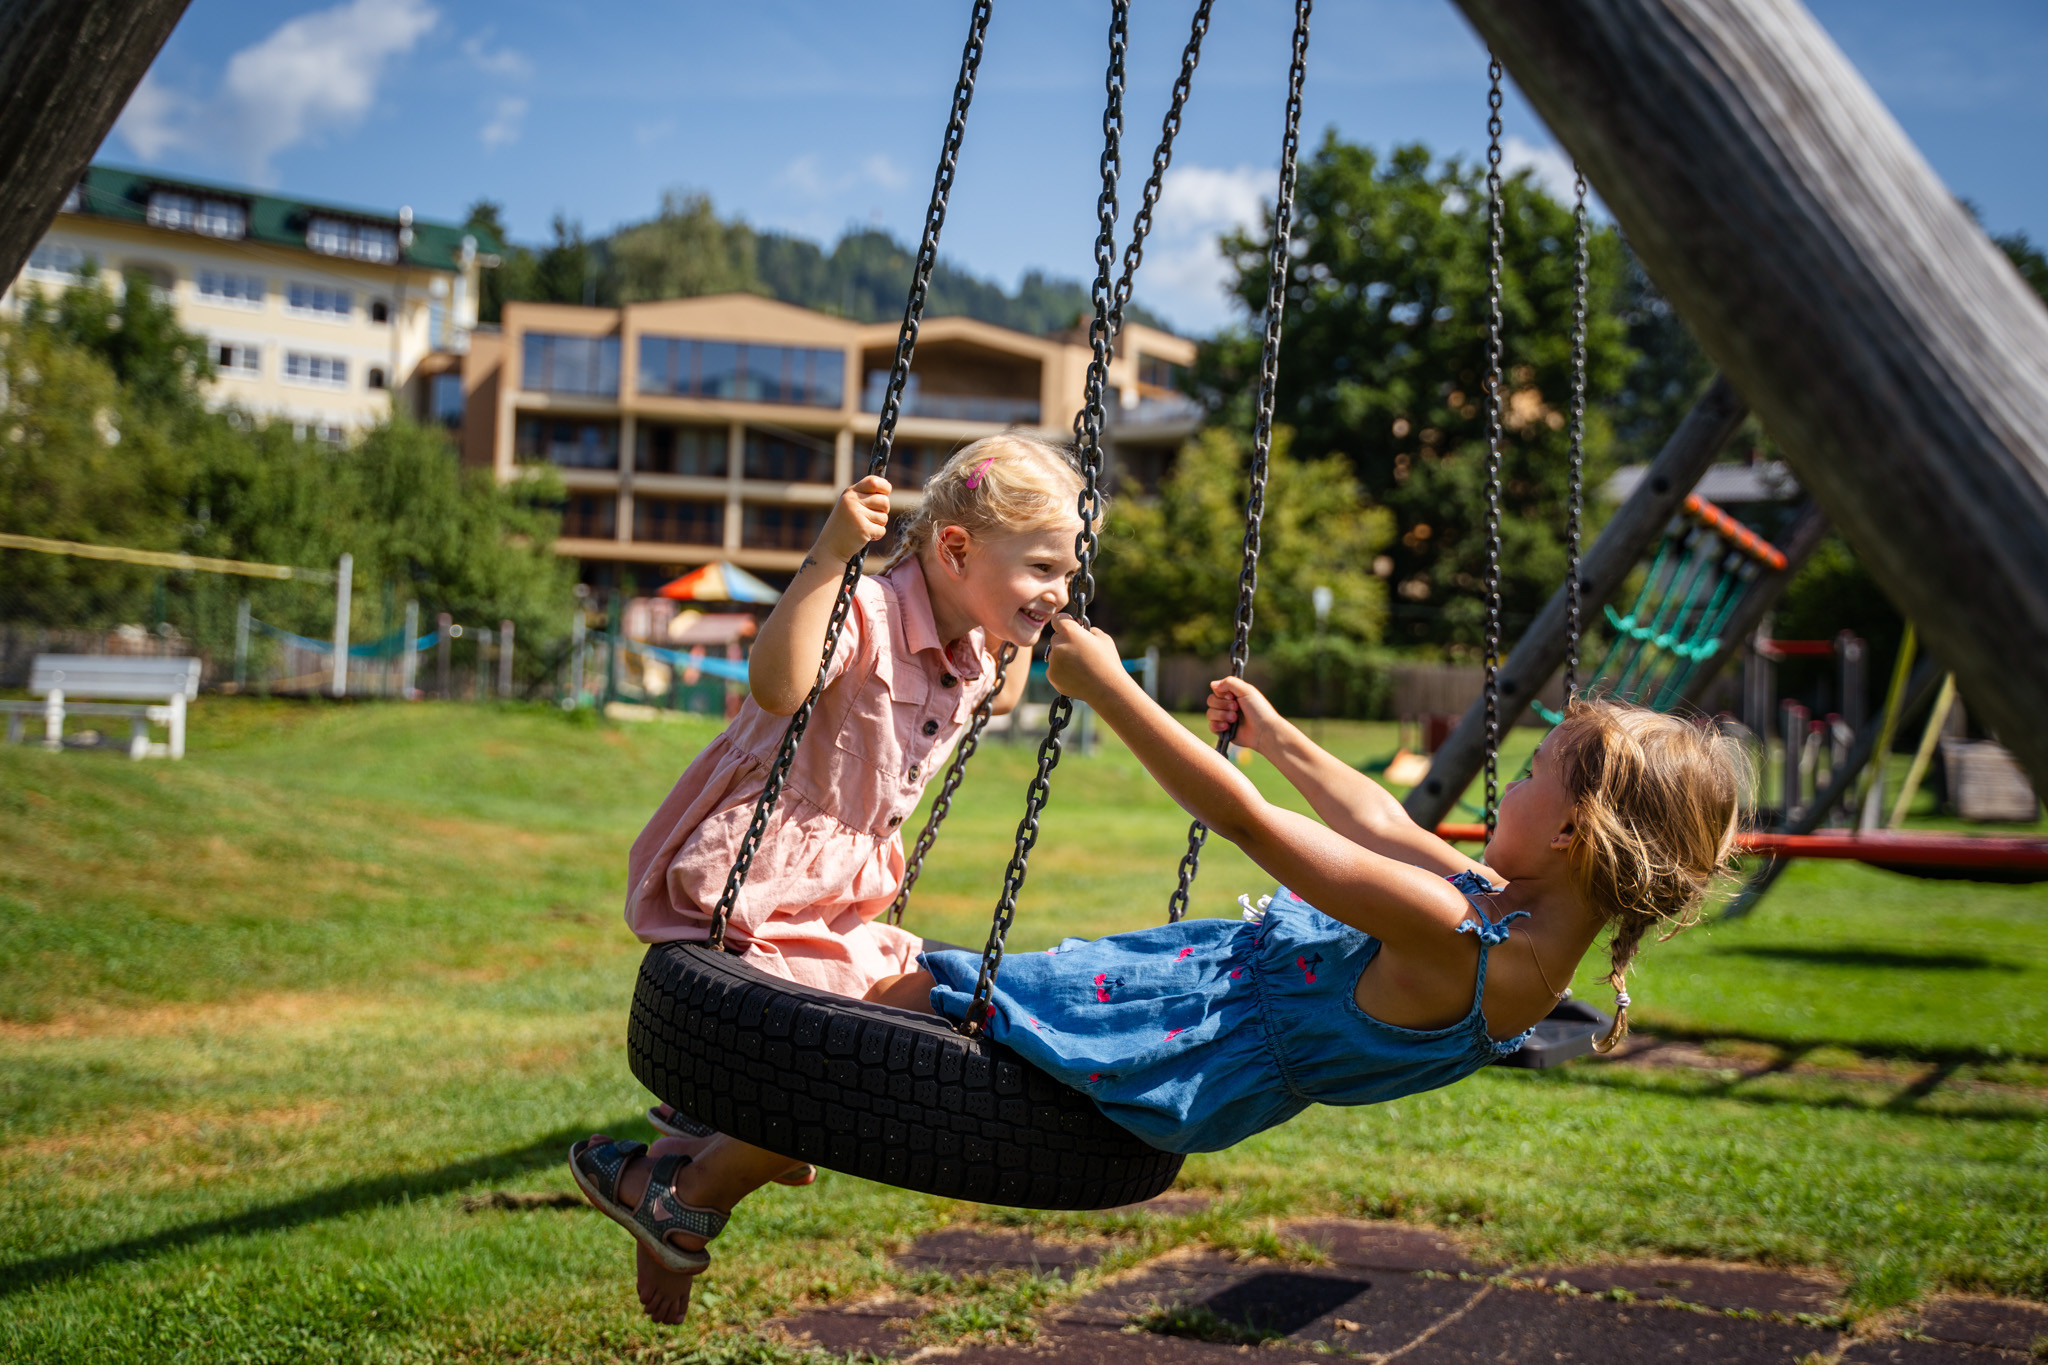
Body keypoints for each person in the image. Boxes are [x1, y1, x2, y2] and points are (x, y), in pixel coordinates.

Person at [570, 433, 1092, 1323]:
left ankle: (667, 1181)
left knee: (914, 1017)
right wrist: (829, 556)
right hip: (761, 883)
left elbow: (997, 696)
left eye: (1071, 571)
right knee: (830, 1079)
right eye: (1042, 564)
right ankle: (681, 1193)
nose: (1061, 588)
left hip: (843, 905)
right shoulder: (865, 610)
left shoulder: (976, 654)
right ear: (957, 550)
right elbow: (776, 687)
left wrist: (1036, 624)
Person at [880, 620, 1746, 1154]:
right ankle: (756, 1150)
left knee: (919, 990)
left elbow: (1253, 825)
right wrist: (1279, 736)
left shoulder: (1455, 927)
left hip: (1183, 1035)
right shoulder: (1509, 921)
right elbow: (1383, 825)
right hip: (1201, 1013)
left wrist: (1112, 689)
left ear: (1569, 833)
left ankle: (758, 1136)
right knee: (926, 995)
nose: (1506, 789)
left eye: (1527, 776)